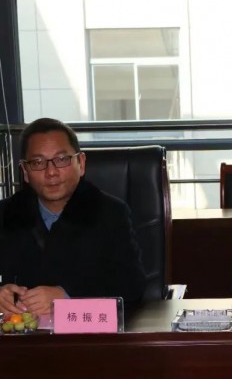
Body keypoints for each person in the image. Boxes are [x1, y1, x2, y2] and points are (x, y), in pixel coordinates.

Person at [0, 117, 146, 317]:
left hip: (86, 334)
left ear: (81, 163)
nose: (51, 172)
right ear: (25, 171)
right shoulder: (6, 214)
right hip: (22, 333)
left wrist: (67, 296)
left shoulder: (111, 213)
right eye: (38, 162)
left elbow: (131, 286)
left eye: (62, 159)